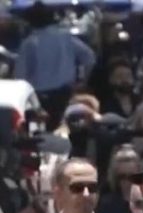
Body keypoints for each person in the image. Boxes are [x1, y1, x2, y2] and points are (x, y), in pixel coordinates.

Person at [14, 1, 96, 130]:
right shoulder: (66, 37)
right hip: (65, 93)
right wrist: (82, 80)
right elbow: (89, 57)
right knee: (65, 128)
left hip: (39, 97)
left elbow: (20, 76)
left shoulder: (29, 43)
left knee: (41, 131)